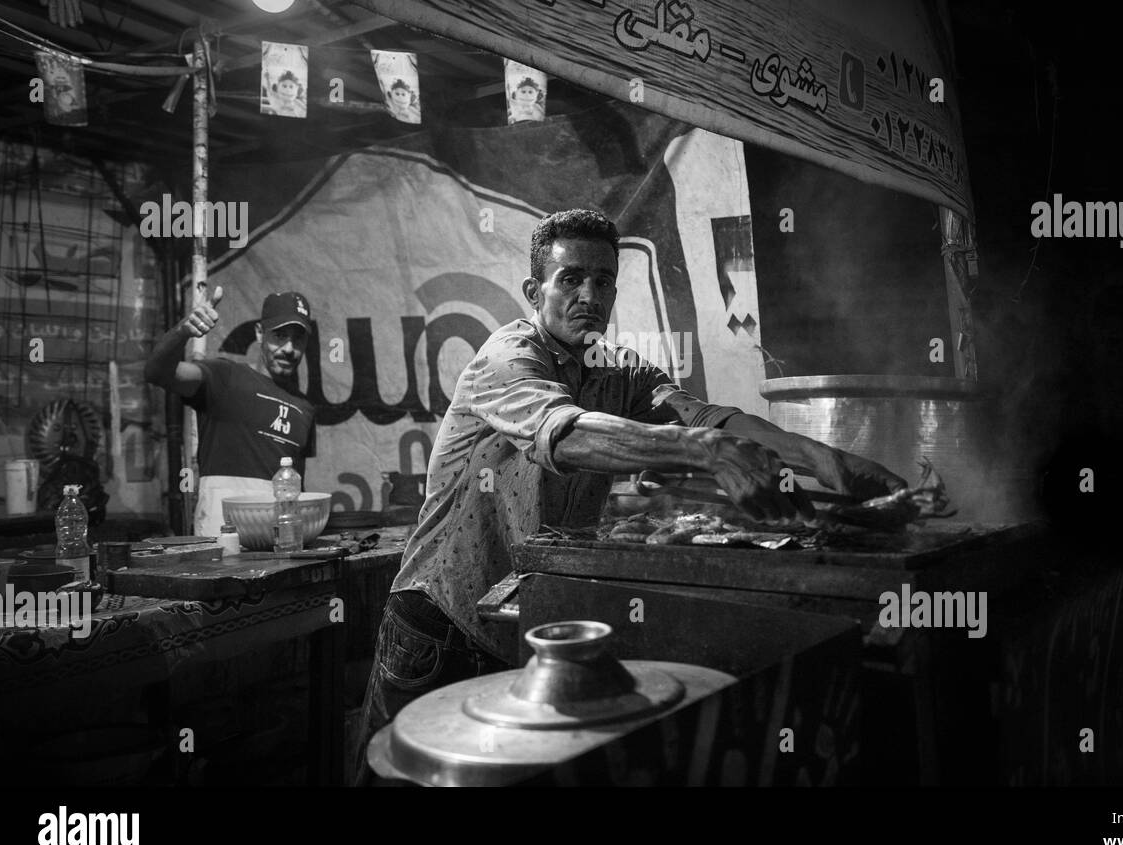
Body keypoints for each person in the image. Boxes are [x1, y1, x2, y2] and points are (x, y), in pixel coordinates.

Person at [350, 209, 905, 783]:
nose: (589, 294)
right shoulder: (507, 358)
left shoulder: (620, 371)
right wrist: (702, 452)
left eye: (604, 280)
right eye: (570, 279)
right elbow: (570, 433)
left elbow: (708, 417)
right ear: (532, 290)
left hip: (525, 626)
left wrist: (826, 459)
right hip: (440, 625)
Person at [144, 288, 317, 537]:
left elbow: (294, 483)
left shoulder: (305, 408)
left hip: (279, 545)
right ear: (259, 333)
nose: (289, 348)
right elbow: (156, 372)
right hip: (222, 539)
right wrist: (183, 331)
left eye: (298, 339)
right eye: (279, 335)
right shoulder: (225, 377)